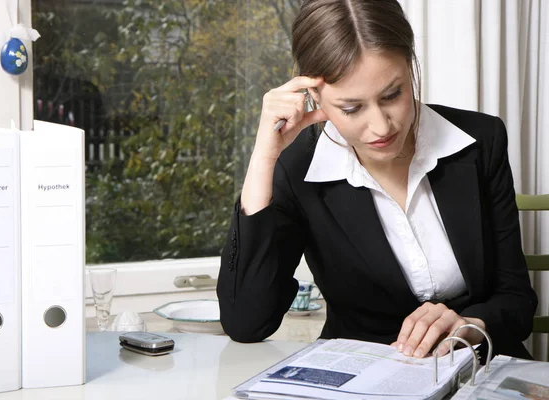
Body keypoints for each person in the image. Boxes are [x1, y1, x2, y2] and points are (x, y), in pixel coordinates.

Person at [216, 0, 538, 361]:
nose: (382, 127)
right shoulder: (298, 170)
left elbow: (517, 301)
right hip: (362, 378)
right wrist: (264, 157)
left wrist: (470, 323)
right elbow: (246, 322)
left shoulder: (480, 140)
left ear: (410, 64)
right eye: (351, 108)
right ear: (313, 96)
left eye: (392, 95)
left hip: (478, 369)